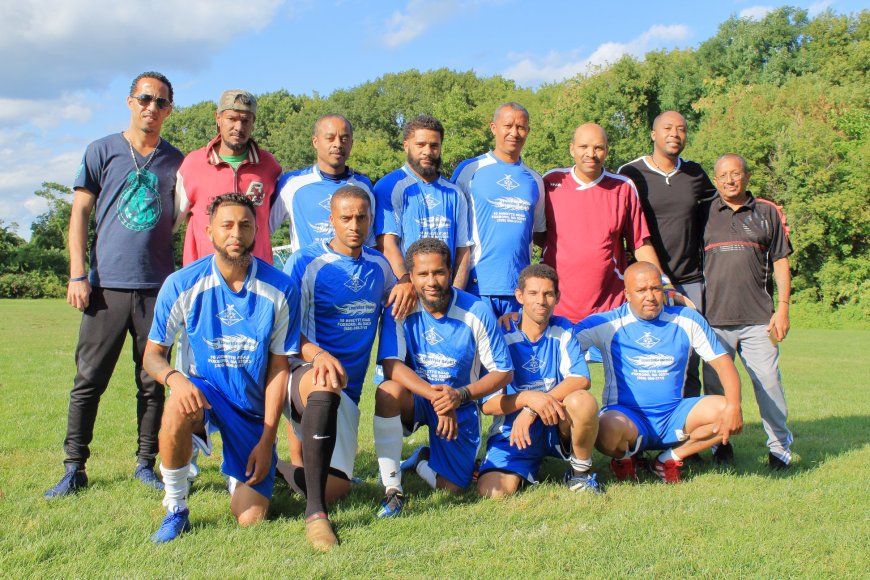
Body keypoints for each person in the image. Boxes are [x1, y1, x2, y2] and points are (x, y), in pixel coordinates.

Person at [45, 71, 185, 498]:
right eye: (145, 98)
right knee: (88, 379)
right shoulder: (102, 150)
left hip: (156, 290)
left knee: (152, 381)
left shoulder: (177, 160)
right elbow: (80, 214)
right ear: (130, 101)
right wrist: (77, 273)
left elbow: (184, 215)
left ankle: (146, 463)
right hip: (106, 287)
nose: (152, 107)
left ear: (169, 110)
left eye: (161, 102)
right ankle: (74, 467)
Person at [143, 194, 300, 544]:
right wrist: (175, 380)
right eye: (226, 225)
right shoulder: (181, 283)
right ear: (209, 230)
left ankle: (248, 472)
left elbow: (278, 369)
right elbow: (152, 356)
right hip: (205, 391)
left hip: (251, 407)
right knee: (176, 407)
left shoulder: (281, 288)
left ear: (257, 231)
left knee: (250, 518)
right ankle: (176, 507)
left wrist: (267, 437)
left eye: (245, 225)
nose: (236, 233)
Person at [277, 185, 395, 549]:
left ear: (371, 220)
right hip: (306, 376)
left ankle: (274, 467)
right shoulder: (305, 262)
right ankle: (316, 515)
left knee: (339, 487)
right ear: (330, 221)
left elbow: (396, 299)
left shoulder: (380, 266)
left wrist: (405, 284)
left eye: (362, 217)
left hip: (349, 389)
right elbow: (281, 327)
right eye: (346, 217)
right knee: (324, 385)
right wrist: (316, 355)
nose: (354, 225)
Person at [373, 238, 512, 517]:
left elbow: (503, 372)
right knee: (388, 391)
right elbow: (391, 365)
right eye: (422, 274)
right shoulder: (399, 307)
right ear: (410, 276)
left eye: (438, 272)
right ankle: (392, 489)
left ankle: (422, 459)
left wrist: (458, 396)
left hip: (459, 403)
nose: (431, 281)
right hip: (421, 398)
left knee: (452, 488)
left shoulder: (476, 311)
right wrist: (438, 397)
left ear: (450, 272)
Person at [575, 261, 743, 483]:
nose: (650, 296)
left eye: (655, 288)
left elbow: (723, 363)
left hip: (675, 414)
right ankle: (624, 458)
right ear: (627, 294)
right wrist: (519, 321)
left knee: (726, 410)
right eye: (641, 290)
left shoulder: (687, 318)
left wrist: (734, 405)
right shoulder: (607, 323)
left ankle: (668, 459)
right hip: (627, 416)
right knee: (605, 430)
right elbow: (560, 342)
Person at [701, 154, 794, 470]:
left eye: (736, 174)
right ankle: (719, 445)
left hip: (758, 319)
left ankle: (780, 448)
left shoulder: (767, 212)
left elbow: (781, 260)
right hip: (713, 321)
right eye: (723, 175)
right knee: (715, 390)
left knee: (768, 383)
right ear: (716, 180)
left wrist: (782, 308)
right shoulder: (704, 213)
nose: (730, 180)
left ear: (747, 177)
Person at [477, 264, 601, 497]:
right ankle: (519, 464)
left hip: (555, 423)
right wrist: (527, 399)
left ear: (557, 298)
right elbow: (488, 405)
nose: (541, 301)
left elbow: (581, 378)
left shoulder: (563, 328)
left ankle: (580, 474)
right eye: (533, 293)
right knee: (492, 494)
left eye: (548, 294)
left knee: (582, 401)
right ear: (519, 296)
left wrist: (533, 409)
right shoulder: (501, 334)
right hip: (513, 429)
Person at [618, 110, 717, 398]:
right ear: (653, 134)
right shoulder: (631, 173)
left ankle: (690, 432)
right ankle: (647, 425)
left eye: (682, 129)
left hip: (690, 281)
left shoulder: (695, 174)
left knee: (690, 358)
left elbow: (722, 209)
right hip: (646, 285)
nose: (675, 134)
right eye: (668, 128)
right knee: (649, 358)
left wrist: (764, 208)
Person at [540, 123, 666, 325]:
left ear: (607, 150)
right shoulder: (551, 182)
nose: (591, 153)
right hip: (557, 307)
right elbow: (539, 235)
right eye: (583, 147)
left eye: (598, 147)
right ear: (572, 148)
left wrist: (664, 282)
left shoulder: (623, 187)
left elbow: (639, 243)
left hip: (609, 307)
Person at [451, 103, 545, 317]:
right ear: (494, 128)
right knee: (477, 351)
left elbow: (538, 232)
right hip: (477, 286)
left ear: (528, 131)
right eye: (508, 125)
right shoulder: (470, 169)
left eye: (521, 127)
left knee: (516, 350)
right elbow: (454, 227)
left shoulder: (535, 180)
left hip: (519, 290)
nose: (514, 132)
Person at [176, 89, 281, 265]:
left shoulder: (270, 167)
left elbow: (272, 222)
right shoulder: (193, 164)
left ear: (253, 122)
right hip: (206, 277)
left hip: (256, 276)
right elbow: (173, 222)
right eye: (231, 119)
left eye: (245, 120)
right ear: (218, 118)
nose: (238, 127)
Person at [374, 114, 473, 296]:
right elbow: (387, 245)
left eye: (434, 145)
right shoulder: (388, 186)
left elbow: (463, 250)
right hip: (405, 293)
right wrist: (406, 281)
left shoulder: (455, 192)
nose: (427, 151)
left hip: (444, 295)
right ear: (406, 146)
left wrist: (456, 294)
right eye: (420, 145)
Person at [269, 114, 375, 253]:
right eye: (330, 138)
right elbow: (263, 231)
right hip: (308, 274)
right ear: (315, 141)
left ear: (351, 143)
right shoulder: (292, 183)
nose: (338, 144)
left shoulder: (363, 185)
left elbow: (370, 241)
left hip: (353, 273)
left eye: (344, 139)